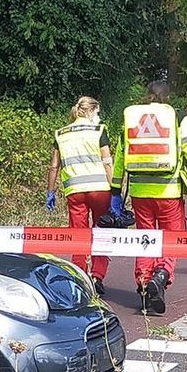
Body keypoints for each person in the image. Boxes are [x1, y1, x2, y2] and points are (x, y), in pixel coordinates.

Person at [112, 80, 187, 315]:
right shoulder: (177, 117)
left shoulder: (132, 118)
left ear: (147, 96)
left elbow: (121, 154)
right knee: (172, 238)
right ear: (167, 97)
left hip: (140, 193)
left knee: (145, 239)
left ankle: (144, 285)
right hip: (168, 192)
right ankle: (162, 274)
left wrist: (115, 188)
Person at [46, 96, 114, 294]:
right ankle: (97, 276)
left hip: (75, 192)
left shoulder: (61, 133)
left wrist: (50, 191)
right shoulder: (99, 130)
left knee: (79, 236)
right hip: (100, 189)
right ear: (90, 111)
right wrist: (115, 191)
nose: (98, 116)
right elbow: (107, 162)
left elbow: (54, 166)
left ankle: (80, 277)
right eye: (97, 112)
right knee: (102, 232)